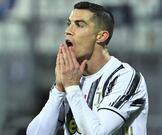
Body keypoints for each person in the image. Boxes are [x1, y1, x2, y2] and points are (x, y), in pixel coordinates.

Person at [26, 1, 148, 135]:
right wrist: (59, 90)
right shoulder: (70, 78)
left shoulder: (125, 77)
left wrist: (72, 87)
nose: (68, 31)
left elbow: (98, 133)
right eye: (69, 24)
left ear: (101, 36)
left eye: (79, 24)